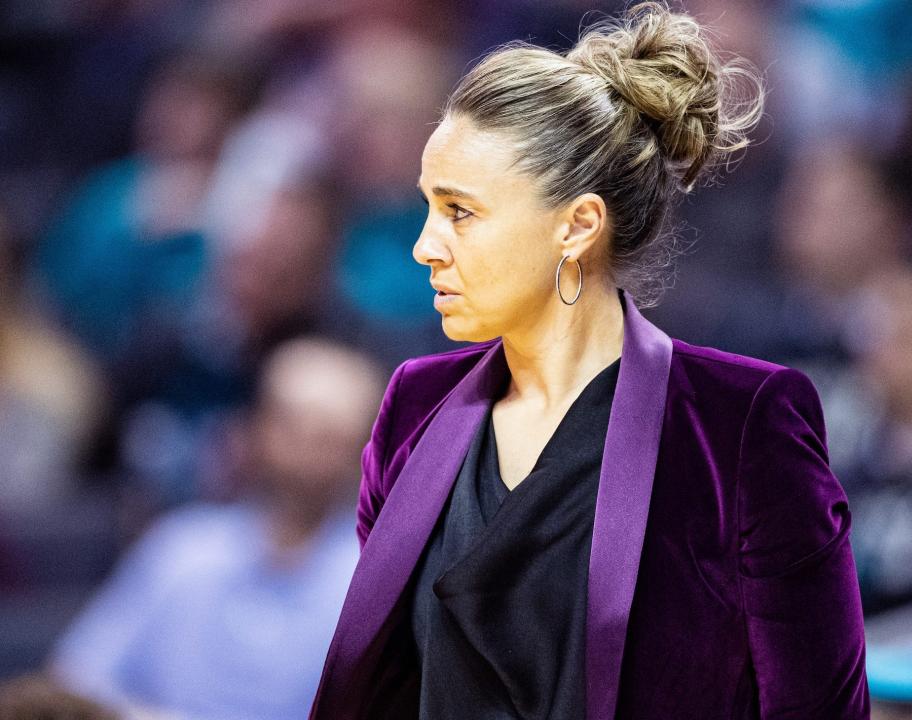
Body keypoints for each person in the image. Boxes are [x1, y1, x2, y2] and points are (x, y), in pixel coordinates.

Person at [308, 2, 870, 718]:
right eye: (428, 209)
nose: (425, 246)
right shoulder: (415, 408)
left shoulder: (741, 422)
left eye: (461, 213)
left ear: (576, 227)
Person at [49, 337, 384, 720]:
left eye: (328, 434)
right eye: (290, 422)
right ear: (254, 427)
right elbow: (74, 681)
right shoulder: (180, 549)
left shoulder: (373, 584)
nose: (304, 448)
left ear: (365, 452)